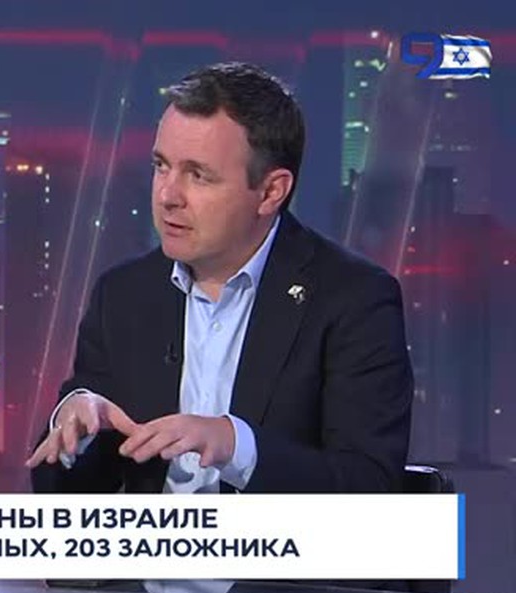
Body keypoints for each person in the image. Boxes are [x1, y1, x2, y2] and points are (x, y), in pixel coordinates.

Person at [27, 62, 412, 495]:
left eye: (198, 175)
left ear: (270, 191)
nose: (167, 195)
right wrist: (75, 435)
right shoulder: (124, 295)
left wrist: (236, 446)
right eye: (161, 166)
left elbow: (370, 488)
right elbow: (61, 494)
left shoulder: (353, 299)